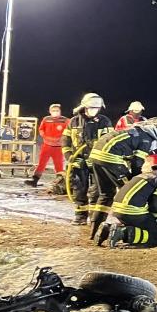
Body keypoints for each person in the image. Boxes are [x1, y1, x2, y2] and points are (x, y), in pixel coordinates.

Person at [87, 124, 157, 239]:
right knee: (130, 191)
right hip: (110, 157)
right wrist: (137, 178)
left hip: (96, 156)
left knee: (106, 194)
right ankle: (125, 229)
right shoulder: (146, 139)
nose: (153, 149)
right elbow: (137, 162)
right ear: (156, 138)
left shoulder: (134, 133)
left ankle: (94, 230)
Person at [62, 92, 114, 225]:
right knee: (79, 189)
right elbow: (66, 140)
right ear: (84, 107)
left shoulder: (104, 121)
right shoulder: (74, 122)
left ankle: (95, 218)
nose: (94, 110)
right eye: (91, 108)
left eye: (97, 108)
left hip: (97, 160)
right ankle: (80, 216)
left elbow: (110, 140)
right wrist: (69, 157)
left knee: (97, 190)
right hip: (79, 160)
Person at [101, 159, 157, 248]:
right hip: (131, 211)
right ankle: (122, 233)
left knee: (141, 228)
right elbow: (155, 205)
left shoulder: (143, 175)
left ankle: (107, 229)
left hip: (117, 209)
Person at [25, 104, 69, 187]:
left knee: (59, 165)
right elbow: (41, 129)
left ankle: (60, 182)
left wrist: (63, 139)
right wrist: (45, 136)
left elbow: (69, 131)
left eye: (57, 110)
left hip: (58, 147)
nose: (55, 112)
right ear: (50, 111)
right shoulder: (46, 119)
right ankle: (35, 180)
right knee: (41, 163)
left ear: (60, 111)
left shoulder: (65, 120)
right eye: (53, 110)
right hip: (47, 146)